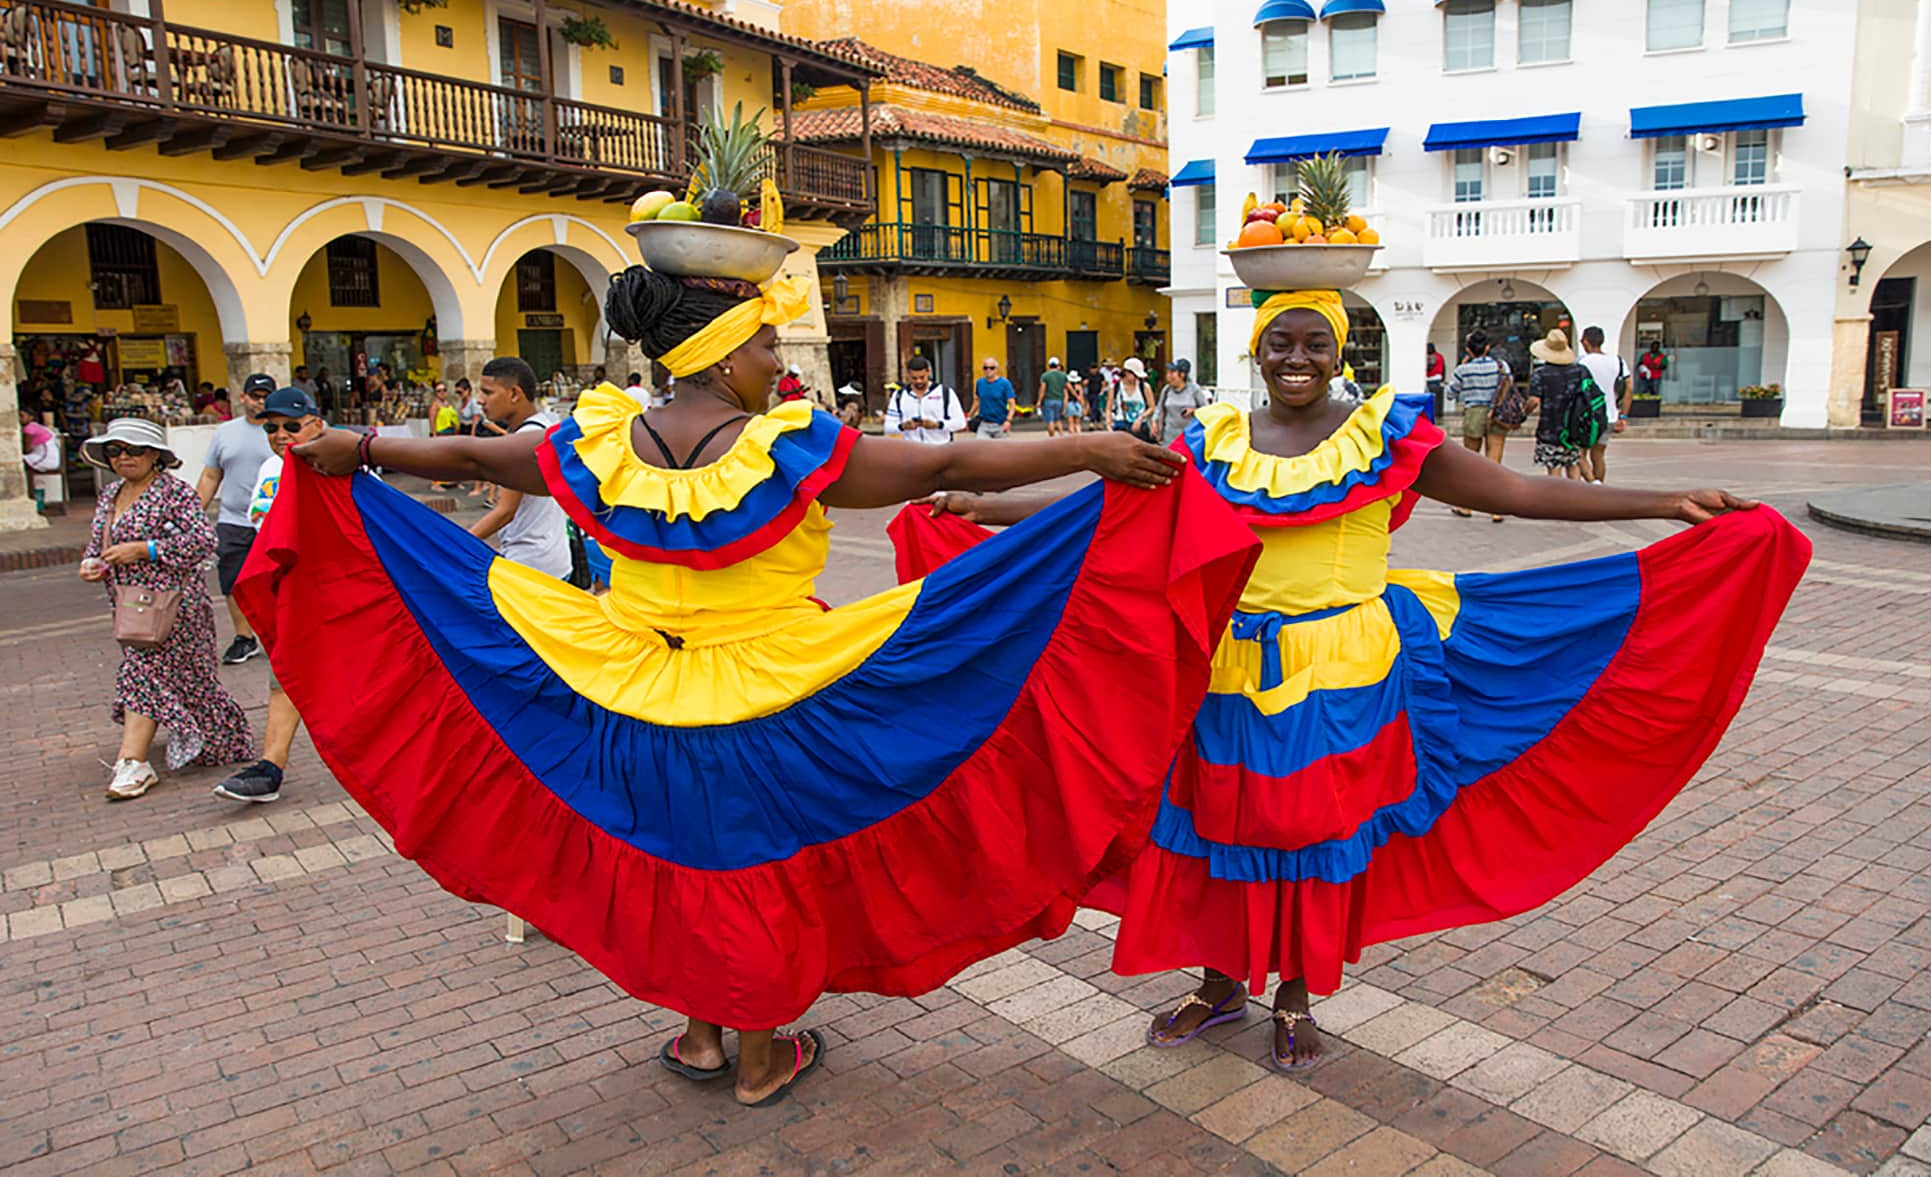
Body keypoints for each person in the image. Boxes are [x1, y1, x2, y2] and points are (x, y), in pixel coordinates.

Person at [241, 257, 1259, 1108]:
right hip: (774, 702)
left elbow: (469, 452)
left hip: (620, 692)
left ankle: (698, 1034)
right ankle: (764, 1050)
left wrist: (355, 446)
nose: (779, 362)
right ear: (725, 353)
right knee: (751, 864)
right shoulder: (788, 449)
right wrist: (1086, 449)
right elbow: (944, 462)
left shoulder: (597, 442)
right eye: (769, 345)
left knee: (680, 851)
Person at [899, 285, 1809, 1070]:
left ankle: (1294, 992)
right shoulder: (1213, 436)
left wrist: (1662, 501)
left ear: (1341, 352)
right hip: (1226, 668)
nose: (1297, 357)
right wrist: (984, 507)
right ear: (1255, 352)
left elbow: (1515, 493)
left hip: (1347, 665)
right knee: (1219, 824)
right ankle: (1221, 984)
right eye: (1279, 342)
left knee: (1311, 830)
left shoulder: (1383, 431)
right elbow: (1105, 507)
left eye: (1315, 342)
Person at [80, 419, 255, 800]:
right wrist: (93, 563)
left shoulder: (174, 493)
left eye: (133, 450)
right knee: (183, 681)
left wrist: (146, 549)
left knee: (140, 673)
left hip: (176, 607)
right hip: (131, 606)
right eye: (115, 450)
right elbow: (97, 542)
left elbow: (202, 541)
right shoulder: (110, 496)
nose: (123, 457)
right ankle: (218, 734)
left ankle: (133, 763)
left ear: (154, 455)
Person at [212, 387, 330, 804]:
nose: (281, 434)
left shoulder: (340, 464)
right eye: (273, 427)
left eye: (292, 426)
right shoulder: (269, 469)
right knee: (284, 672)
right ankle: (270, 766)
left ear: (317, 424)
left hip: (339, 592)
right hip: (292, 593)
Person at [196, 372, 276, 665]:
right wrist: (193, 514)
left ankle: (282, 635)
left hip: (274, 520)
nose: (260, 401)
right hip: (234, 519)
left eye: (266, 395)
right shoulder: (225, 433)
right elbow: (210, 475)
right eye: (254, 396)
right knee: (232, 581)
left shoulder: (282, 430)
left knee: (277, 581)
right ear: (241, 398)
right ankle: (244, 638)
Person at [467, 357, 572, 582]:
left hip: (530, 564)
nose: (480, 400)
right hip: (553, 557)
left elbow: (505, 510)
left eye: (487, 392)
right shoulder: (545, 427)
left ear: (514, 394)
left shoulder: (521, 443)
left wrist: (458, 542)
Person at [1446, 330, 1513, 520]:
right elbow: (1509, 386)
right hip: (1498, 412)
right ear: (1487, 348)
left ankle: (1466, 506)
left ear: (1468, 350)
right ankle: (1495, 509)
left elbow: (1451, 393)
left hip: (1474, 411)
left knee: (1471, 462)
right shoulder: (1501, 366)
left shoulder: (1463, 370)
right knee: (1494, 463)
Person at [1527, 329, 1587, 480]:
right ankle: (1576, 498)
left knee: (1554, 467)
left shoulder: (1541, 373)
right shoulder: (1579, 371)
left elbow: (1534, 400)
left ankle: (1557, 500)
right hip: (1574, 427)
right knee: (1573, 464)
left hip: (1550, 428)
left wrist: (1524, 413)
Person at [1579, 326, 1628, 483]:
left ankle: (1593, 483)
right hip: (1610, 415)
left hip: (1587, 415)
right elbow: (1629, 389)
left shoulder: (1582, 362)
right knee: (1598, 454)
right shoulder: (1618, 361)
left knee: (1579, 454)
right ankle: (1600, 486)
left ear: (1585, 342)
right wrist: (1623, 415)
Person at [883, 354, 966, 444]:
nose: (918, 381)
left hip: (940, 448)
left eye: (922, 377)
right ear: (908, 374)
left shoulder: (945, 392)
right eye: (914, 378)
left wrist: (937, 425)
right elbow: (888, 427)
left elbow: (961, 423)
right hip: (912, 449)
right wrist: (903, 426)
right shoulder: (899, 395)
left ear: (929, 372)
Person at [1151, 359, 1209, 448]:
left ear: (1182, 375)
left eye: (1172, 372)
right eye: (1168, 372)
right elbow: (1159, 408)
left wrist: (1193, 411)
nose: (1168, 376)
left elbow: (1207, 410)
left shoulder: (1194, 390)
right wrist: (1154, 421)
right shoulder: (1167, 390)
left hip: (1190, 437)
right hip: (1169, 436)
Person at [1109, 358, 1155, 436]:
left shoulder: (1144, 387)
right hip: (1121, 424)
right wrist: (1109, 424)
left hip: (1140, 425)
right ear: (1126, 373)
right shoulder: (1115, 387)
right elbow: (1108, 408)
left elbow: (1152, 407)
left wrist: (1141, 418)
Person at [974, 357, 1014, 439]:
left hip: (1000, 424)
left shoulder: (1004, 383)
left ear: (996, 369)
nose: (988, 370)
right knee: (982, 448)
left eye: (991, 368)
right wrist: (969, 417)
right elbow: (977, 401)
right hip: (984, 423)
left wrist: (1008, 421)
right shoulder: (980, 383)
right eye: (985, 368)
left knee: (1001, 450)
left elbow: (1012, 404)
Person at [1039, 357, 1067, 437]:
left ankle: (1052, 437)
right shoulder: (1063, 375)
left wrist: (1039, 401)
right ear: (1058, 365)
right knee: (1058, 419)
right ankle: (1062, 437)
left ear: (1049, 365)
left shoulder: (1045, 376)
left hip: (1048, 400)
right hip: (1059, 400)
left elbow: (1043, 389)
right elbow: (1068, 387)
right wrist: (1076, 396)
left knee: (1050, 420)